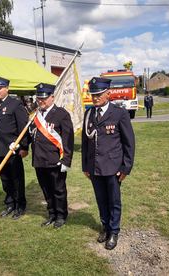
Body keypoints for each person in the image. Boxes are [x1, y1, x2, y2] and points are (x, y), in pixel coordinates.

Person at [82, 77, 135, 250]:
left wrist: (126, 167)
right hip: (95, 167)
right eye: (93, 94)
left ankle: (114, 231)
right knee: (101, 199)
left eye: (99, 94)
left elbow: (129, 143)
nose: (95, 98)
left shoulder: (119, 113)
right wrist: (85, 166)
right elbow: (85, 142)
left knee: (114, 200)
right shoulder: (88, 113)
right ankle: (105, 226)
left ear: (108, 93)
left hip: (113, 167)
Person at [0, 76, 29, 220]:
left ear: (7, 88)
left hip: (13, 150)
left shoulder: (15, 104)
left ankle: (20, 205)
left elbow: (23, 128)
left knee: (16, 179)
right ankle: (9, 203)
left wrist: (24, 147)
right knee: (5, 179)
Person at [30, 83, 74, 228]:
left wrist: (66, 160)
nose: (41, 101)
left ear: (52, 97)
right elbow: (31, 135)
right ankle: (52, 214)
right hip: (39, 159)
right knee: (46, 190)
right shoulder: (35, 115)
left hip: (55, 160)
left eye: (44, 98)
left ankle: (61, 215)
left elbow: (68, 139)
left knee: (58, 190)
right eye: (39, 98)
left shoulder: (61, 114)